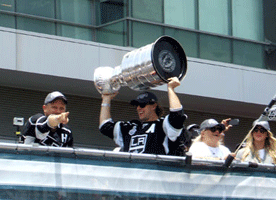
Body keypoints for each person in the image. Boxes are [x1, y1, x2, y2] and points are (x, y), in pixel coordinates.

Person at [99, 77, 187, 155]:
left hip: (155, 171)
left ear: (153, 106)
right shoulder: (130, 127)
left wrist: (170, 89)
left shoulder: (162, 125)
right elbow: (105, 126)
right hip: (131, 172)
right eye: (136, 105)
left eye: (142, 105)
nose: (138, 108)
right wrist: (106, 99)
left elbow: (177, 116)